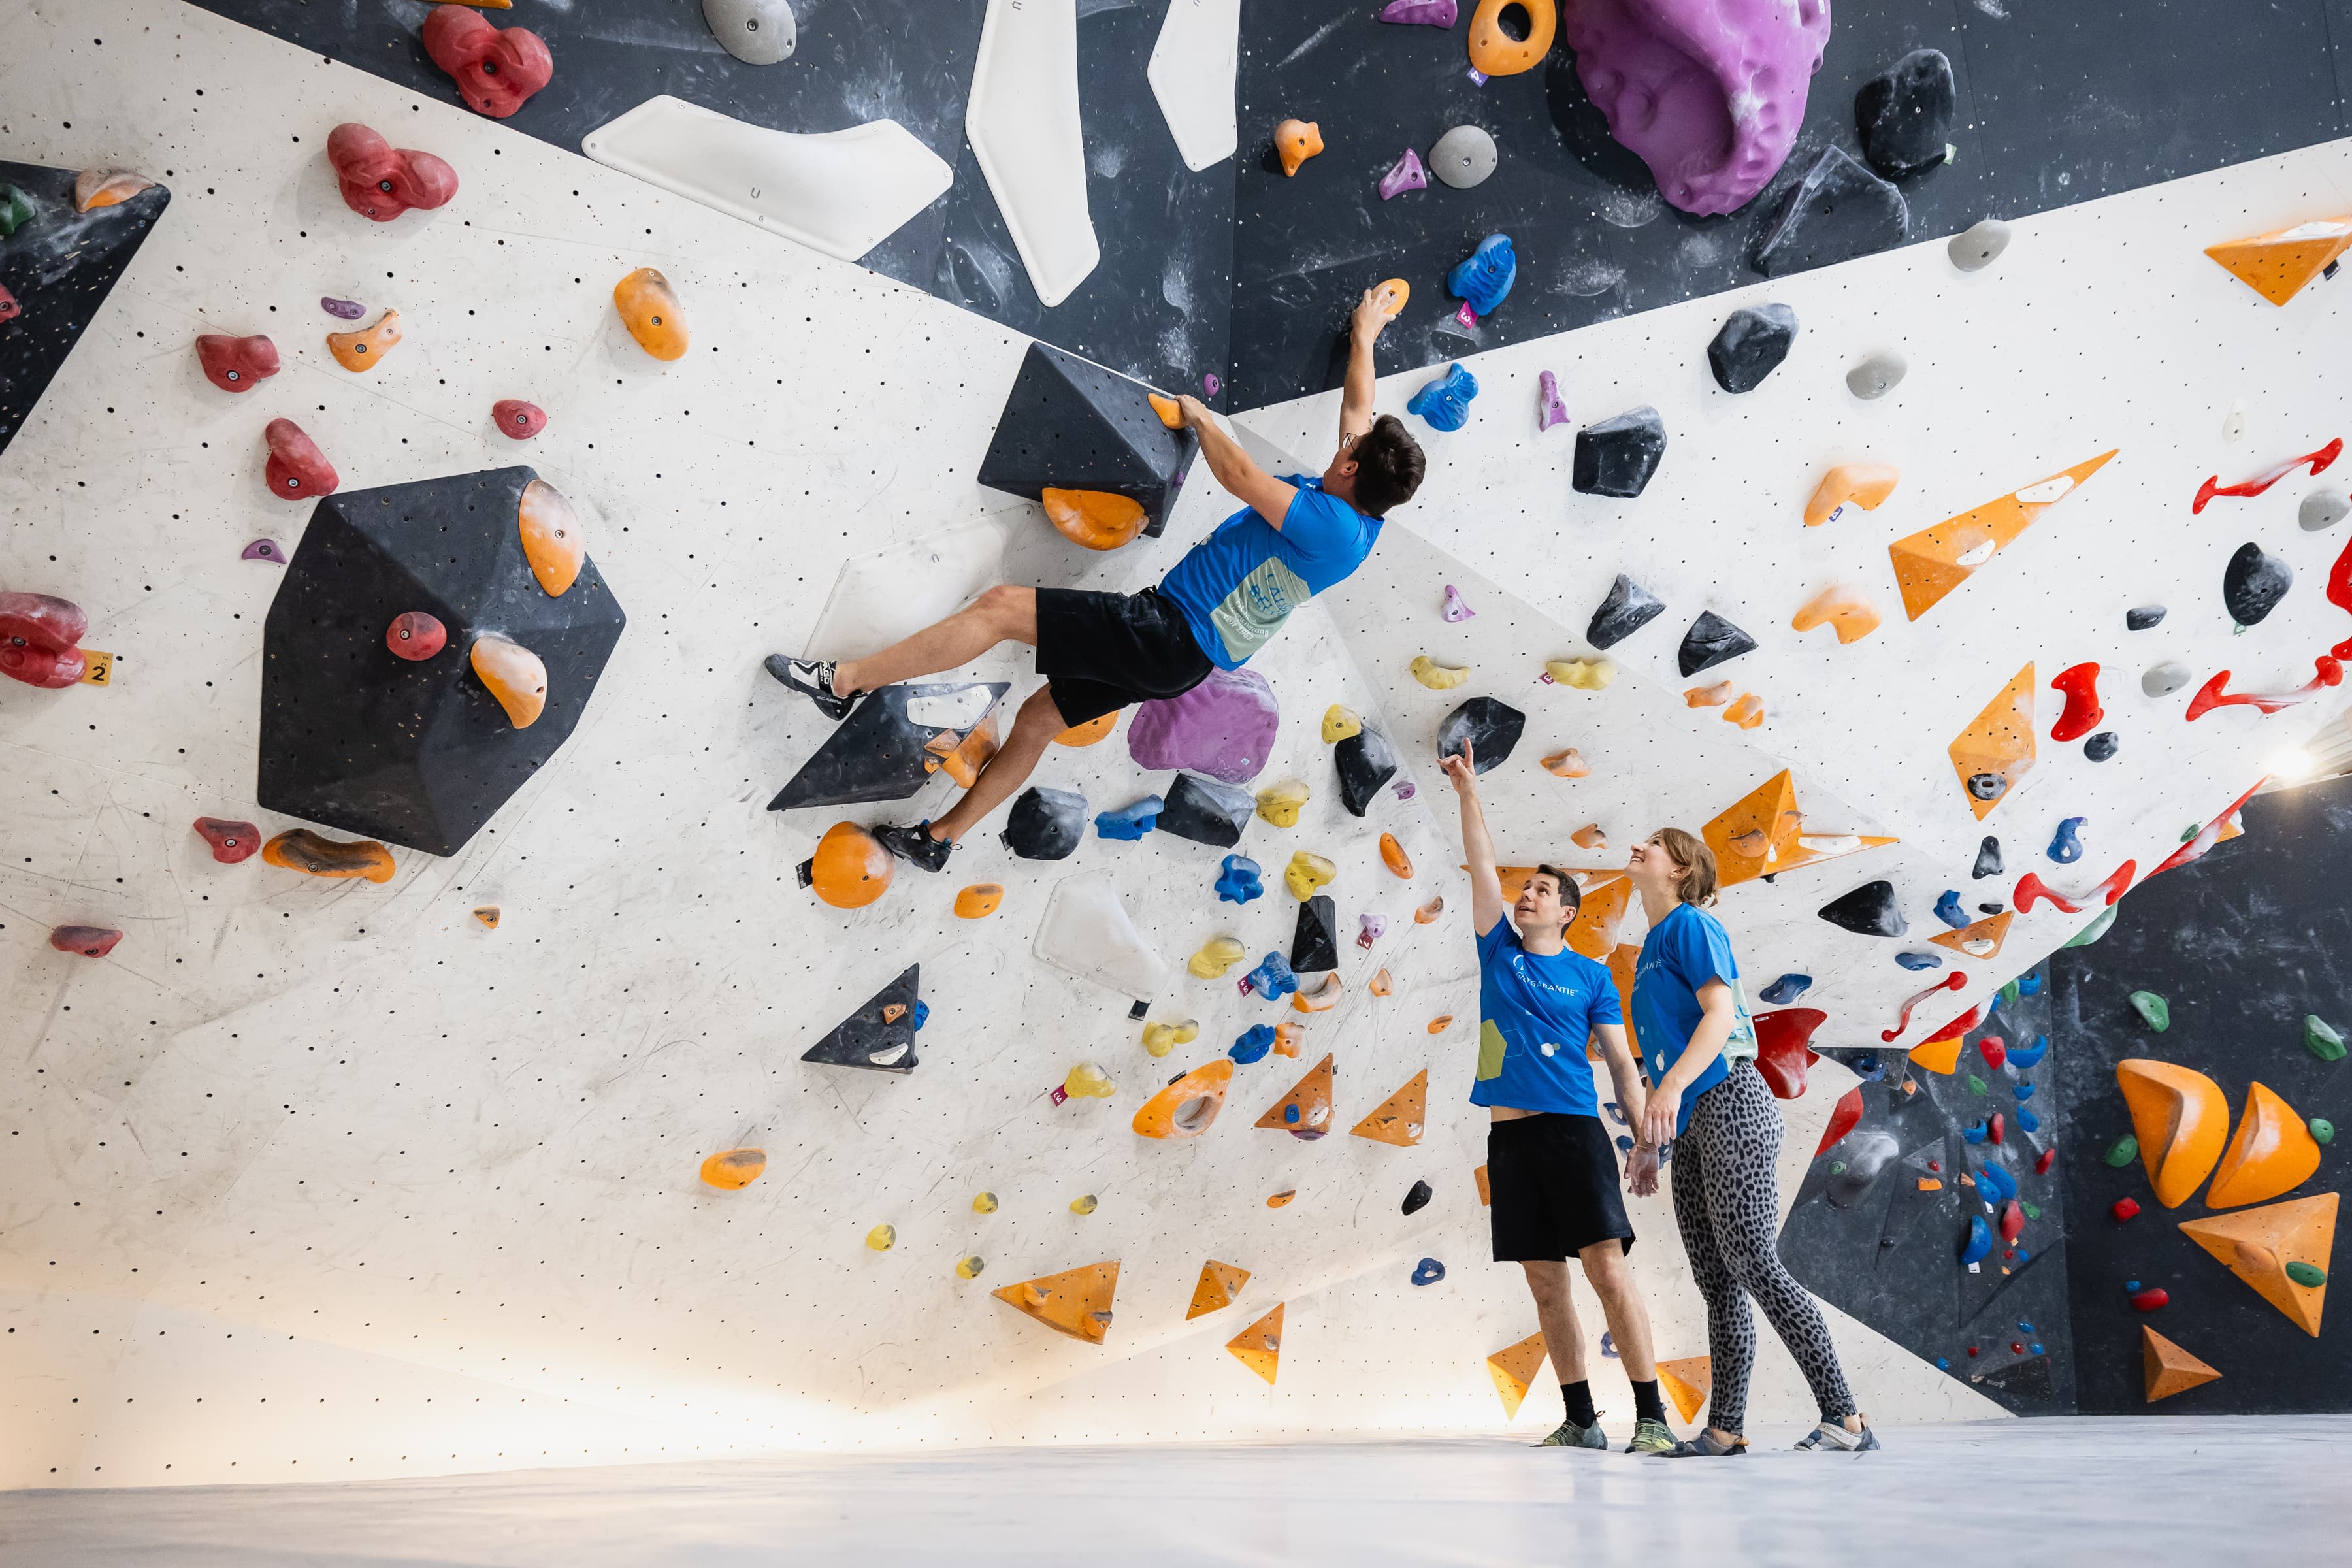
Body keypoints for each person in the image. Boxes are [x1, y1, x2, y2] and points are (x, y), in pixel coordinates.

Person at [766, 289, 1427, 870]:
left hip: (1169, 632)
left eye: (1349, 450)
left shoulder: (1330, 527)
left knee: (999, 609)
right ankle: (940, 838)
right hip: (1184, 660)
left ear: (1350, 472)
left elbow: (1239, 478)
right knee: (1036, 721)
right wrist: (1364, 335)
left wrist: (1200, 417)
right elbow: (1359, 410)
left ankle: (842, 683)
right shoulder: (1361, 513)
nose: (1345, 442)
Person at [1443, 743, 1678, 1455]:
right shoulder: (1499, 953)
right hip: (1510, 1141)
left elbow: (1620, 1064)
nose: (1528, 895)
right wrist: (1468, 792)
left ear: (1568, 912)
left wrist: (1644, 1144)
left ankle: (1653, 1418)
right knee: (1546, 1286)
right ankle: (1581, 1419)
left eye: (1543, 891)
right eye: (1528, 889)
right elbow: (1483, 866)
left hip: (1574, 1134)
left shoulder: (1593, 977)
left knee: (1607, 1271)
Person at [1624, 827, 1880, 1456]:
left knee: (1754, 1263)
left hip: (1733, 1100)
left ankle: (1845, 1419)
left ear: (1681, 869)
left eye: (1655, 843)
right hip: (1692, 1118)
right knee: (1718, 1282)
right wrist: (1654, 1141)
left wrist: (1670, 1091)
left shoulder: (1691, 926)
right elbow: (1663, 1058)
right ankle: (1726, 1428)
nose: (1639, 845)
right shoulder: (1652, 948)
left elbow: (1717, 1019)